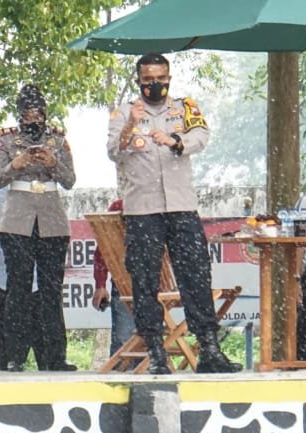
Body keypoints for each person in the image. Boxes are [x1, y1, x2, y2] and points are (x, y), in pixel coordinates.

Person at [106, 53, 240, 375]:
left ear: (169, 78)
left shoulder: (184, 107)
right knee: (145, 279)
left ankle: (209, 348)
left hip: (181, 206)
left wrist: (175, 140)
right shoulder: (123, 112)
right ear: (139, 81)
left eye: (161, 78)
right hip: (143, 210)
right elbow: (113, 151)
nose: (155, 85)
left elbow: (202, 136)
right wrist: (129, 125)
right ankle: (155, 352)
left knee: (196, 275)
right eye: (148, 79)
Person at [0, 83, 77, 372]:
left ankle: (55, 356)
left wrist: (52, 163)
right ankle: (15, 356)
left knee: (52, 290)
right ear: (19, 115)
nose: (33, 119)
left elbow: (70, 180)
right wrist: (17, 163)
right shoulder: (6, 141)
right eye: (27, 114)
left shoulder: (59, 141)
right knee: (19, 289)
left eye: (38, 113)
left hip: (51, 216)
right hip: (17, 218)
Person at [0, 189, 51, 370]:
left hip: (36, 285)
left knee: (43, 343)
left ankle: (45, 394)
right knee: (9, 344)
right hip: (1, 283)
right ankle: (9, 394)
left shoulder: (41, 198)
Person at [91, 198, 138, 359]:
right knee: (124, 339)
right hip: (126, 284)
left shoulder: (163, 205)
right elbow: (103, 249)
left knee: (129, 339)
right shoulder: (120, 206)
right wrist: (100, 284)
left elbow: (102, 250)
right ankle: (120, 373)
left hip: (150, 285)